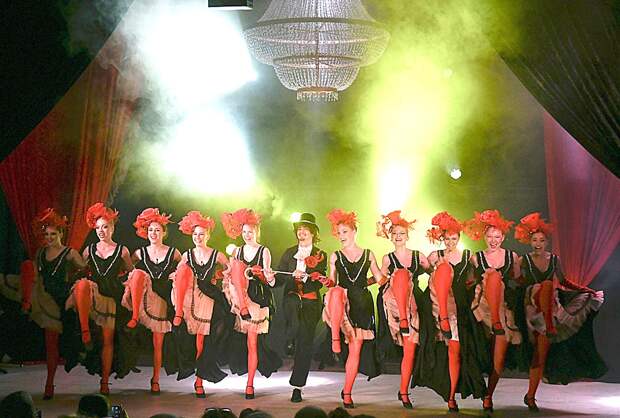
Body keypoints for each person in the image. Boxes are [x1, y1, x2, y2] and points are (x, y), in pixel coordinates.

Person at [515, 212, 606, 411]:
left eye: (541, 240)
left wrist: (586, 290)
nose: (538, 243)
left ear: (547, 242)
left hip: (551, 308)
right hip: (532, 306)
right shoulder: (523, 260)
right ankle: (549, 325)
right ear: (529, 241)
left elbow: (563, 281)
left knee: (540, 355)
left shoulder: (555, 259)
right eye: (534, 240)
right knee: (546, 285)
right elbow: (516, 282)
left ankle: (530, 396)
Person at [65, 202, 134, 394]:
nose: (101, 231)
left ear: (112, 228)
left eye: (105, 227)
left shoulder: (122, 250)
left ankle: (104, 381)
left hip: (111, 297)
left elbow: (131, 272)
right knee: (82, 285)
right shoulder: (89, 250)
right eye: (98, 228)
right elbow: (79, 269)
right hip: (94, 295)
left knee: (107, 340)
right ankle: (85, 331)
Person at [423, 211, 487, 411]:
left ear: (459, 238)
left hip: (462, 309)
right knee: (451, 352)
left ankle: (457, 394)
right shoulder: (435, 256)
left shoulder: (468, 256)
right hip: (442, 307)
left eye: (454, 238)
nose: (450, 242)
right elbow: (427, 277)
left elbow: (478, 277)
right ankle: (451, 397)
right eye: (447, 238)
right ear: (441, 238)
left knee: (459, 352)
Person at [20, 208, 86, 399]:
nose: (49, 238)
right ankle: (49, 383)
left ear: (61, 234)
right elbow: (34, 275)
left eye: (53, 234)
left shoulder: (70, 253)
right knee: (49, 344)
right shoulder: (41, 253)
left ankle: (50, 382)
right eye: (46, 234)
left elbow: (85, 268)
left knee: (55, 343)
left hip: (60, 299)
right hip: (42, 298)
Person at [322, 209, 383, 409]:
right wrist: (326, 281)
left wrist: (393, 271)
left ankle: (347, 392)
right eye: (338, 232)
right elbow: (333, 282)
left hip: (362, 304)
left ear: (354, 232)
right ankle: (335, 339)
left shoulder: (368, 254)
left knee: (355, 349)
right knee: (336, 293)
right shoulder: (336, 256)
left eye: (345, 232)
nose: (341, 236)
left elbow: (379, 278)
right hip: (342, 302)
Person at [463, 209, 520, 412]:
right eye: (489, 236)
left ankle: (488, 395)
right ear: (484, 237)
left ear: (503, 237)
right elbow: (468, 282)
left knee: (499, 359)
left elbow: (519, 281)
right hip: (481, 309)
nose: (493, 240)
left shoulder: (512, 257)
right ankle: (478, 387)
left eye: (497, 237)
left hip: (502, 310)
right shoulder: (476, 258)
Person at [221, 208, 282, 399]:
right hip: (241, 299)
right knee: (245, 343)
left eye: (251, 232)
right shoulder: (237, 251)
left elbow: (269, 281)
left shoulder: (264, 251)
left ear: (257, 231)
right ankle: (246, 373)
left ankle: (250, 384)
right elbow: (230, 276)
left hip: (257, 299)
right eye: (244, 232)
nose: (247, 235)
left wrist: (264, 275)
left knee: (252, 343)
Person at [121, 208, 181, 394]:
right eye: (150, 230)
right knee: (138, 274)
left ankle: (155, 379)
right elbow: (128, 269)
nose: (153, 233)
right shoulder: (139, 253)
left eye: (157, 230)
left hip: (163, 299)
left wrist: (175, 274)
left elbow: (183, 269)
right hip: (146, 297)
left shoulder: (173, 252)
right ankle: (135, 316)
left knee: (158, 344)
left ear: (164, 232)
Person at [172, 210, 231, 397]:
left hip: (209, 297)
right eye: (195, 234)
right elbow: (178, 276)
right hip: (192, 298)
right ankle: (195, 373)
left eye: (201, 234)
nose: (198, 237)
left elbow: (229, 272)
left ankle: (200, 380)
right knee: (192, 339)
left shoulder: (217, 255)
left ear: (208, 235)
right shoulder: (187, 255)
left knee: (203, 340)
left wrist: (221, 275)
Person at [375, 210, 429, 409]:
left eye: (402, 233)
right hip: (395, 305)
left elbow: (434, 271)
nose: (398, 236)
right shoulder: (388, 258)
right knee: (400, 276)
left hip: (413, 303)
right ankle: (402, 320)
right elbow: (381, 280)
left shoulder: (418, 256)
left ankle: (404, 391)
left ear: (407, 236)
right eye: (395, 233)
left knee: (410, 350)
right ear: (390, 236)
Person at [275, 212, 328, 403]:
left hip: (310, 302)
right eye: (299, 230)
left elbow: (319, 282)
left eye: (305, 230)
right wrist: (270, 278)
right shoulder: (289, 252)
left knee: (305, 345)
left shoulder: (320, 254)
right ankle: (290, 338)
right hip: (292, 300)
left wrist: (306, 277)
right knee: (293, 318)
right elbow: (279, 279)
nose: (301, 233)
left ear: (313, 233)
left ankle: (297, 387)